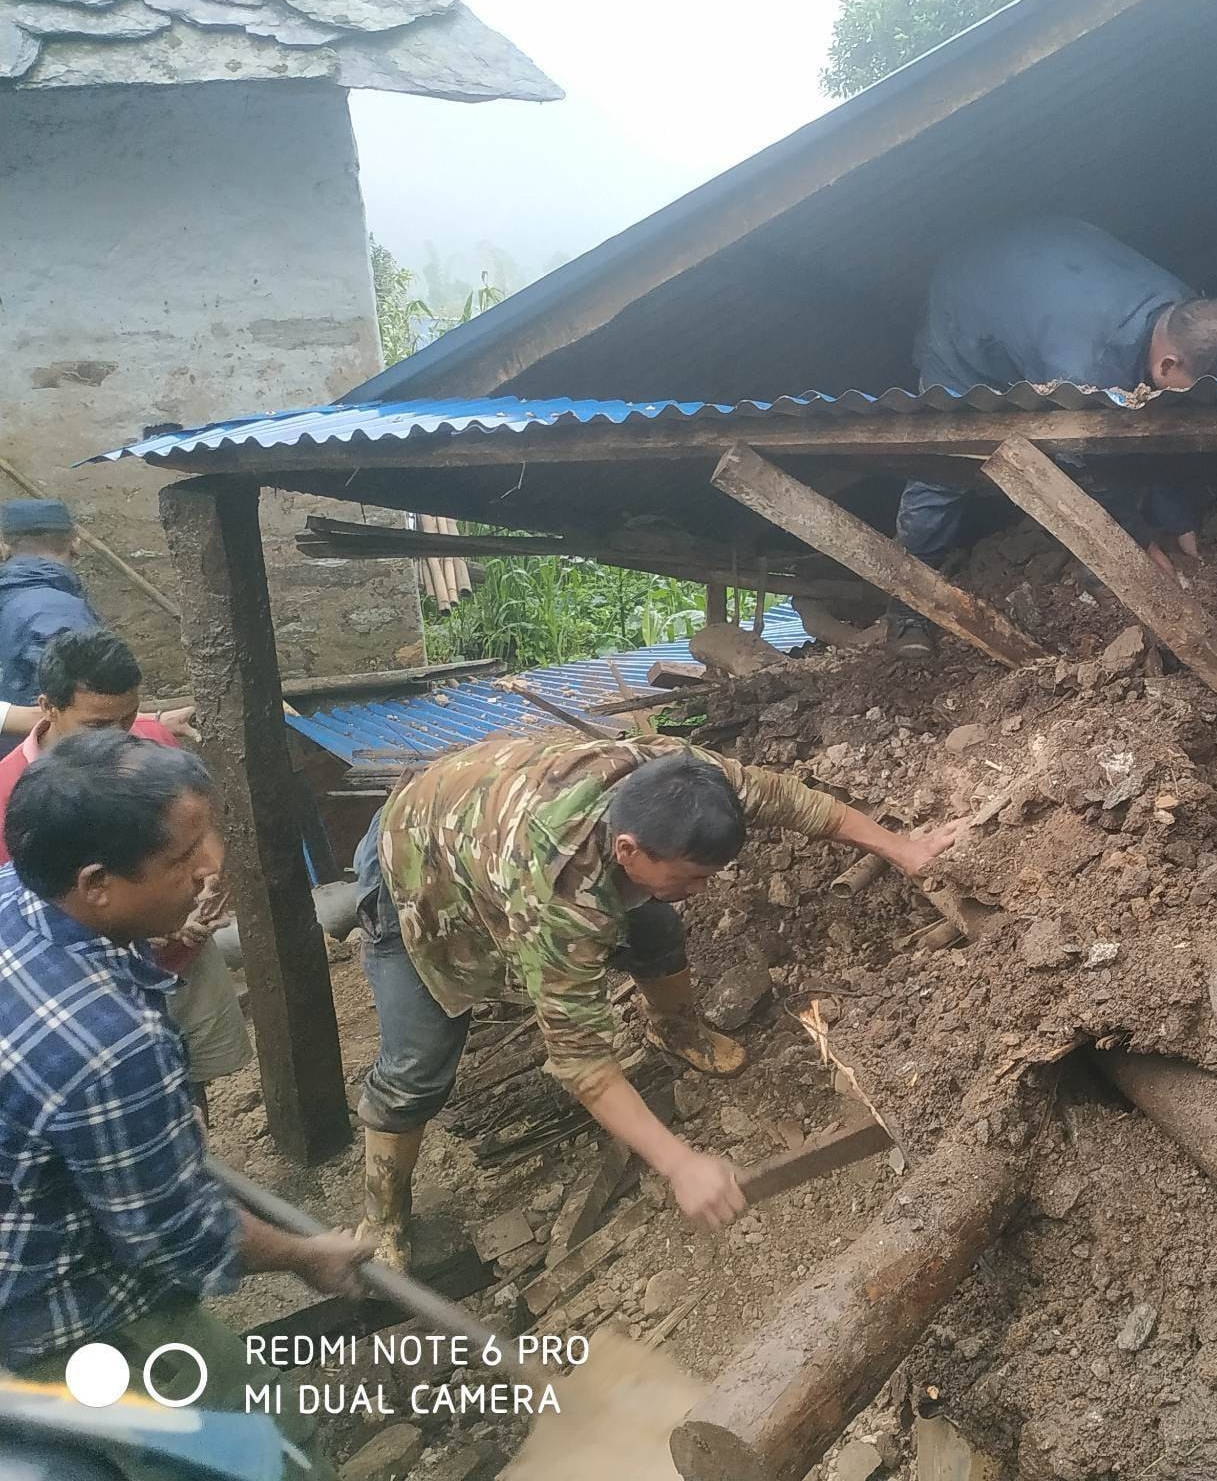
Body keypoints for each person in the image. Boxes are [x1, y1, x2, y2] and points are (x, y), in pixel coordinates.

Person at [352, 732, 964, 1269]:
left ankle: (672, 1026)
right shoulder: (561, 894)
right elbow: (582, 1062)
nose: (703, 891)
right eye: (691, 877)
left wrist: (900, 847)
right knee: (419, 1063)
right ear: (627, 851)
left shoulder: (682, 776)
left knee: (658, 927)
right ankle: (382, 1216)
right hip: (418, 861)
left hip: (488, 801)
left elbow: (794, 801)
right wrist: (679, 1163)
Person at [0, 731, 361, 1478]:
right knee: (262, 1449)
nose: (214, 865)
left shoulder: (17, 894)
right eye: (182, 857)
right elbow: (178, 1239)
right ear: (96, 882)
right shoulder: (111, 1048)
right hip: (64, 1314)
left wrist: (148, 1143)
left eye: (208, 834)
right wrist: (307, 1255)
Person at [888, 216, 1217, 659]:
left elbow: (1145, 425)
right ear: (1167, 365)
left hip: (1039, 276)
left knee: (1143, 418)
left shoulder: (1184, 312)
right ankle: (905, 605)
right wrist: (1134, 537)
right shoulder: (1086, 366)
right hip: (968, 311)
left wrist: (1177, 515)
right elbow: (1086, 465)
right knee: (944, 465)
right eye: (1193, 389)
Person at [0, 629, 251, 1116]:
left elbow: (199, 826)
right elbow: (23, 904)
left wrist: (208, 885)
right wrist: (142, 928)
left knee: (184, 1084)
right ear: (48, 707)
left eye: (128, 718)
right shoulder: (9, 790)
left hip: (183, 958)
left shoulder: (152, 742)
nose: (120, 738)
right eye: (97, 725)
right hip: (84, 989)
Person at [0, 500, 99, 756]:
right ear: (75, 542)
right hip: (43, 766)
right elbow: (84, 706)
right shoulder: (62, 611)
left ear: (4, 546)